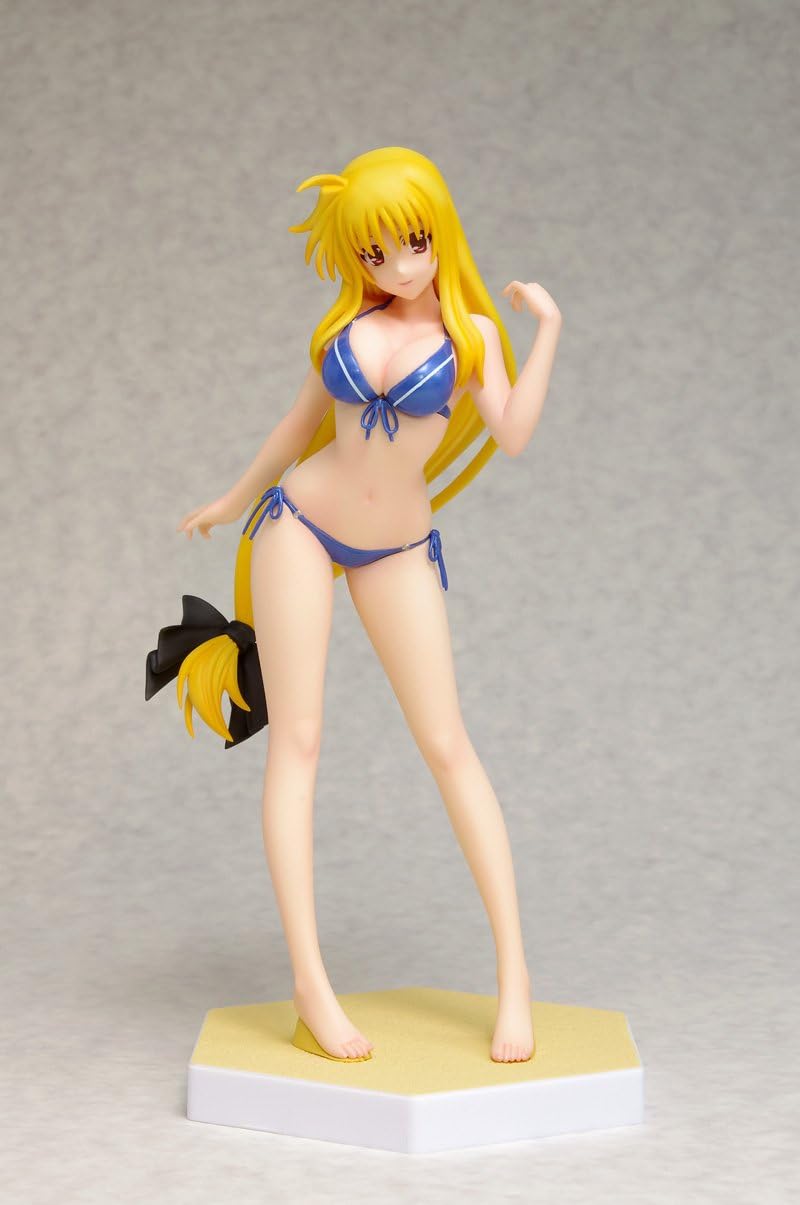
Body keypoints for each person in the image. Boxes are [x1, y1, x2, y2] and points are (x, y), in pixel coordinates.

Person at [151, 146, 562, 1064]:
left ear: (438, 232)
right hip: (298, 525)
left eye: (413, 242)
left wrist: (548, 329)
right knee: (297, 743)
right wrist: (231, 499)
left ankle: (516, 975)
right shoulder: (346, 324)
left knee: (448, 745)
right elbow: (296, 426)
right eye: (375, 251)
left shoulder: (471, 336)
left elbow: (514, 432)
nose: (400, 266)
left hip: (398, 549)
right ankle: (310, 984)